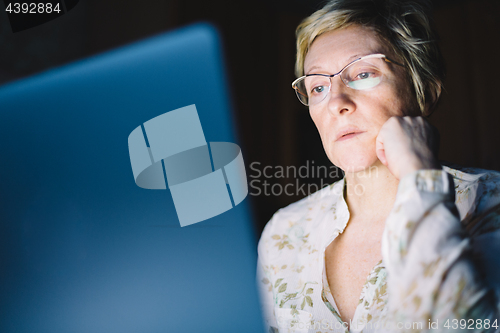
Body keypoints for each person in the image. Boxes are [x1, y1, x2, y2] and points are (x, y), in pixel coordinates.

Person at [256, 0, 500, 332]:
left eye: (364, 73)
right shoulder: (282, 233)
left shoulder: (490, 202)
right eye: (318, 87)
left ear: (422, 91)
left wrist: (418, 175)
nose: (337, 102)